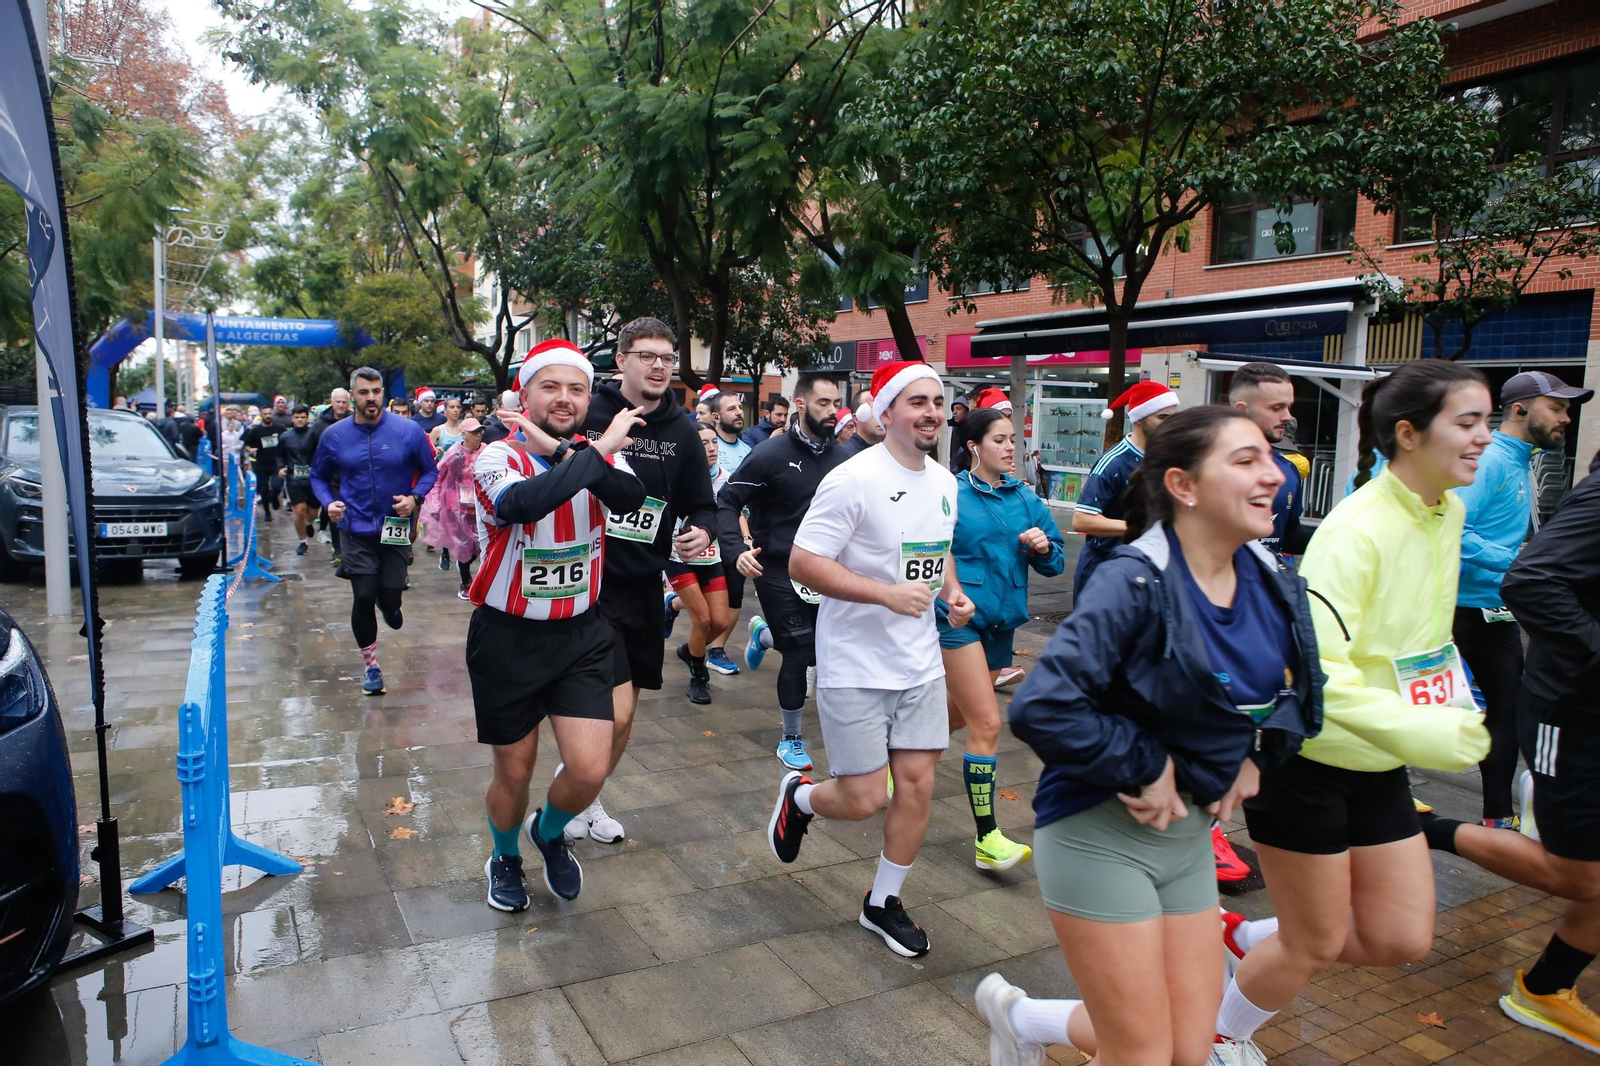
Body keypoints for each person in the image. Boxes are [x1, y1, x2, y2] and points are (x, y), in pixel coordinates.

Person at [976, 405, 1323, 1066]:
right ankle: (1023, 1022)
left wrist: (1257, 756)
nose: (1273, 475)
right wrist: (1144, 764)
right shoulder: (1134, 581)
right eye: (1244, 460)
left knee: (1189, 1053)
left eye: (1270, 458)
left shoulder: (1274, 579)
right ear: (1183, 487)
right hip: (1097, 837)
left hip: (1187, 843)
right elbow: (1044, 707)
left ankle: (1022, 1022)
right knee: (1141, 1054)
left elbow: (1302, 691)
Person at [1213, 360, 1494, 1066]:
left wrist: (1451, 697)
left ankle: (1247, 940)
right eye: (1468, 422)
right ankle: (1219, 1036)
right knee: (1312, 942)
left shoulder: (1447, 511)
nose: (1484, 438)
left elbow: (1424, 640)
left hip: (1380, 759)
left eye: (1486, 420)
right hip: (1306, 761)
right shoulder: (1355, 531)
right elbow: (1315, 677)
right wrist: (1428, 729)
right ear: (1407, 434)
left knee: (1402, 938)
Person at [768, 360, 973, 958]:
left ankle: (882, 902)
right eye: (917, 402)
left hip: (919, 663)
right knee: (862, 798)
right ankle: (800, 798)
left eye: (937, 401)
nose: (931, 411)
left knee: (917, 786)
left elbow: (937, 553)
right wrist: (885, 593)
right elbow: (804, 563)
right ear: (886, 415)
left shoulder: (944, 481)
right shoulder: (852, 479)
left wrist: (952, 593)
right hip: (856, 661)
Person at [1420, 445, 1600, 1053]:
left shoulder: (1526, 466)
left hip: (1520, 644)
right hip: (1569, 704)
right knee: (1582, 878)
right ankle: (1422, 828)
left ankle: (1549, 986)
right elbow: (1526, 572)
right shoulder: (1503, 465)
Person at [467, 342, 647, 912]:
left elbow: (630, 495)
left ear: (589, 398)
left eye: (576, 389)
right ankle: (505, 855)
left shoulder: (601, 457)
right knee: (513, 773)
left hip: (580, 635)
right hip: (508, 636)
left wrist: (593, 454)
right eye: (550, 387)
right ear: (524, 397)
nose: (564, 399)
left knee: (590, 768)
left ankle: (547, 832)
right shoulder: (495, 458)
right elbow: (524, 503)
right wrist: (595, 453)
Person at [579, 322, 718, 843]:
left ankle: (584, 796)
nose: (659, 365)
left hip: (643, 588)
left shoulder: (682, 430)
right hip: (590, 584)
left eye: (667, 357)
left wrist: (699, 530)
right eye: (647, 356)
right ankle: (575, 789)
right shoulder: (593, 414)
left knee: (627, 718)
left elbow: (704, 503)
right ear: (622, 360)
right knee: (611, 715)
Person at [1450, 371, 1590, 830]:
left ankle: (1497, 816)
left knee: (1509, 712)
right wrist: (1513, 561)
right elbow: (1451, 524)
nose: (1567, 418)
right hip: (1455, 610)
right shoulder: (1488, 460)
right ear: (1520, 409)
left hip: (1496, 609)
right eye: (1558, 408)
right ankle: (1390, 800)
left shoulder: (1524, 462)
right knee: (1426, 707)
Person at [942, 407, 1065, 872]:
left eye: (1013, 439)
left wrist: (1043, 546)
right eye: (999, 439)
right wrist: (951, 598)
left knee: (956, 715)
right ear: (974, 446)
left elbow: (1054, 564)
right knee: (988, 723)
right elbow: (933, 550)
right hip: (958, 621)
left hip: (1003, 621)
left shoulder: (1027, 498)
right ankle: (987, 836)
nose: (1011, 447)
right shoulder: (951, 494)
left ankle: (900, 750)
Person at [717, 374, 848, 770]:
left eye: (836, 403)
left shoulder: (844, 459)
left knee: (823, 649)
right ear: (800, 403)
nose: (831, 411)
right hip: (776, 566)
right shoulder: (771, 454)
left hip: (824, 569)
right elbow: (727, 500)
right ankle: (790, 738)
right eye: (823, 403)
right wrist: (736, 549)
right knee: (801, 652)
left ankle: (765, 633)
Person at [310, 367, 439, 695]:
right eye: (364, 392)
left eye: (376, 391)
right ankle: (371, 667)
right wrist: (328, 503)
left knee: (390, 600)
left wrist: (414, 498)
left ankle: (389, 601)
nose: (371, 398)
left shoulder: (408, 431)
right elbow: (318, 477)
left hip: (395, 527)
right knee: (363, 595)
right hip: (355, 527)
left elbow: (429, 471)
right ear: (352, 395)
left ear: (384, 393)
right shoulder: (335, 435)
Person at [1071, 381, 1179, 599]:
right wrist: (1138, 526)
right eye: (1162, 418)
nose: (1170, 426)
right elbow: (1081, 520)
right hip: (1106, 568)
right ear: (1139, 419)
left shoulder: (1168, 456)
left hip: (1151, 567)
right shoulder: (1113, 462)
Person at [664, 421, 733, 704]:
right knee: (702, 619)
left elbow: (733, 512)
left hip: (711, 555)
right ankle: (698, 677)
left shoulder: (725, 477)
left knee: (720, 622)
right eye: (703, 443)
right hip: (677, 556)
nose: (711, 448)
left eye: (714, 442)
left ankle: (687, 642)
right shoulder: (675, 472)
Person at [1229, 362, 1310, 556]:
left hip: (1266, 583)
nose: (1288, 417)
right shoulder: (1203, 468)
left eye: (1289, 407)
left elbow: (1288, 535)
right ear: (1242, 410)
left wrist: (1337, 534)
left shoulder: (1287, 469)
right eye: (1277, 408)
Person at [704, 388, 754, 676]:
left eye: (739, 407)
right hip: (701, 538)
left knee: (734, 597)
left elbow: (745, 503)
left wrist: (746, 537)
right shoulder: (704, 446)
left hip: (733, 536)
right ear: (715, 416)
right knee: (702, 601)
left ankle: (717, 649)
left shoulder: (748, 453)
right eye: (731, 408)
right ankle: (672, 606)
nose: (738, 412)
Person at [421, 417, 486, 598]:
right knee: (464, 546)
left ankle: (464, 563)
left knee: (480, 546)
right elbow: (438, 476)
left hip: (479, 508)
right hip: (455, 508)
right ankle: (465, 583)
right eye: (474, 432)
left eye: (480, 432)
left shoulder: (487, 451)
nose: (478, 436)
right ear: (464, 434)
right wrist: (434, 502)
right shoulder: (455, 452)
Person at [311, 388, 352, 561]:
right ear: (332, 402)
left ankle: (351, 547)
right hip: (331, 476)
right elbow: (313, 448)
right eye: (338, 402)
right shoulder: (321, 424)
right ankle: (338, 549)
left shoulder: (355, 420)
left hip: (353, 474)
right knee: (336, 512)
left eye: (344, 402)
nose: (341, 405)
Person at [277, 405, 321, 556]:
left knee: (312, 513)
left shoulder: (314, 434)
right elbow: (279, 455)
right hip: (294, 478)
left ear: (307, 418)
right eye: (297, 417)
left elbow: (321, 453)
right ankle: (303, 542)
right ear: (292, 419)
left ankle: (309, 524)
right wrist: (280, 468)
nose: (300, 420)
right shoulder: (285, 437)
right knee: (299, 510)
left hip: (313, 478)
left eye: (302, 417)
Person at [242, 408, 284, 522]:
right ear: (261, 415)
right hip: (260, 464)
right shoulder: (255, 431)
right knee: (263, 489)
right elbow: (246, 445)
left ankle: (274, 497)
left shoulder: (279, 428)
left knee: (277, 485)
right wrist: (250, 450)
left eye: (270, 414)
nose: (268, 416)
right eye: (265, 414)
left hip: (276, 463)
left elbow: (286, 441)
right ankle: (267, 512)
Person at [948, 394, 971, 474]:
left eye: (958, 408)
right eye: (953, 409)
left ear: (967, 410)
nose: (954, 412)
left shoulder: (973, 428)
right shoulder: (955, 428)